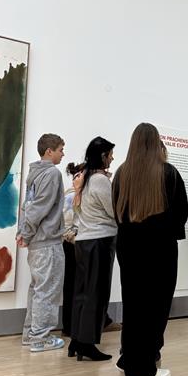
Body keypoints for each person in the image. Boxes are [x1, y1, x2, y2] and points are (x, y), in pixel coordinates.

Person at [113, 123, 188, 376]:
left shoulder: (121, 173)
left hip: (128, 246)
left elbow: (116, 210)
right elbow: (181, 213)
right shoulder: (168, 173)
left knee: (133, 304)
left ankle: (128, 359)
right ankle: (143, 371)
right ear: (157, 142)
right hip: (160, 247)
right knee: (156, 307)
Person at [17, 133, 66, 353]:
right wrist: (26, 233)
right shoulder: (52, 173)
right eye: (60, 149)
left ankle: (31, 334)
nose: (63, 154)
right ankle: (40, 338)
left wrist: (23, 232)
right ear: (49, 151)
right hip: (47, 242)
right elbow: (39, 208)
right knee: (48, 290)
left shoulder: (33, 173)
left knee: (37, 289)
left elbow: (27, 205)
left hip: (37, 243)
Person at [69, 137, 117, 361]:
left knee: (82, 293)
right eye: (110, 155)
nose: (112, 159)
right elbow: (113, 211)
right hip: (100, 241)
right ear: (103, 156)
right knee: (96, 294)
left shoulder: (84, 177)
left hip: (84, 241)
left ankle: (77, 340)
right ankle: (87, 344)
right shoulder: (100, 181)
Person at [61, 162, 84, 338]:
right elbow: (67, 228)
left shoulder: (79, 195)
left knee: (77, 286)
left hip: (77, 245)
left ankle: (74, 325)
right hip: (72, 247)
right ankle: (69, 327)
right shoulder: (71, 196)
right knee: (72, 286)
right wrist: (80, 241)